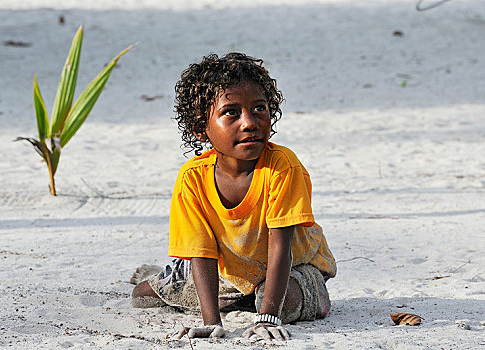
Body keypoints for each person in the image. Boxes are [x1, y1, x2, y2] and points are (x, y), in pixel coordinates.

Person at [131, 52, 337, 342]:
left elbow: (281, 249)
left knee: (278, 301)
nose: (249, 122)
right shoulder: (193, 178)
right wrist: (211, 321)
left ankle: (296, 293)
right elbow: (202, 250)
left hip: (293, 266)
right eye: (231, 112)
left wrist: (267, 319)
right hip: (232, 271)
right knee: (142, 295)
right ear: (200, 128)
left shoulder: (282, 166)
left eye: (259, 109)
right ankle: (179, 272)